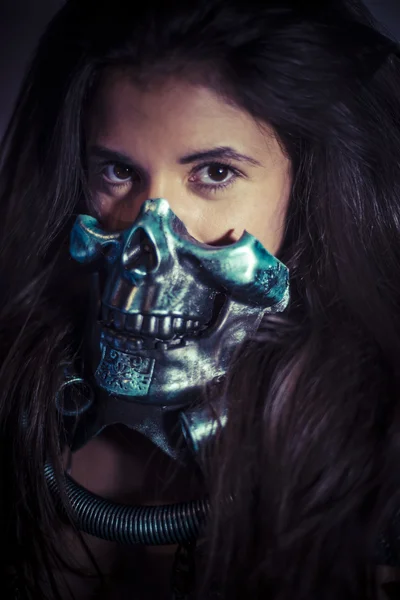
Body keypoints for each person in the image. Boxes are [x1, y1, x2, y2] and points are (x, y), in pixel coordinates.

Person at [1, 0, 400, 598]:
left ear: (308, 184)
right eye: (117, 172)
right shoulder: (17, 383)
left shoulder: (379, 458)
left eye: (213, 173)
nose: (147, 243)